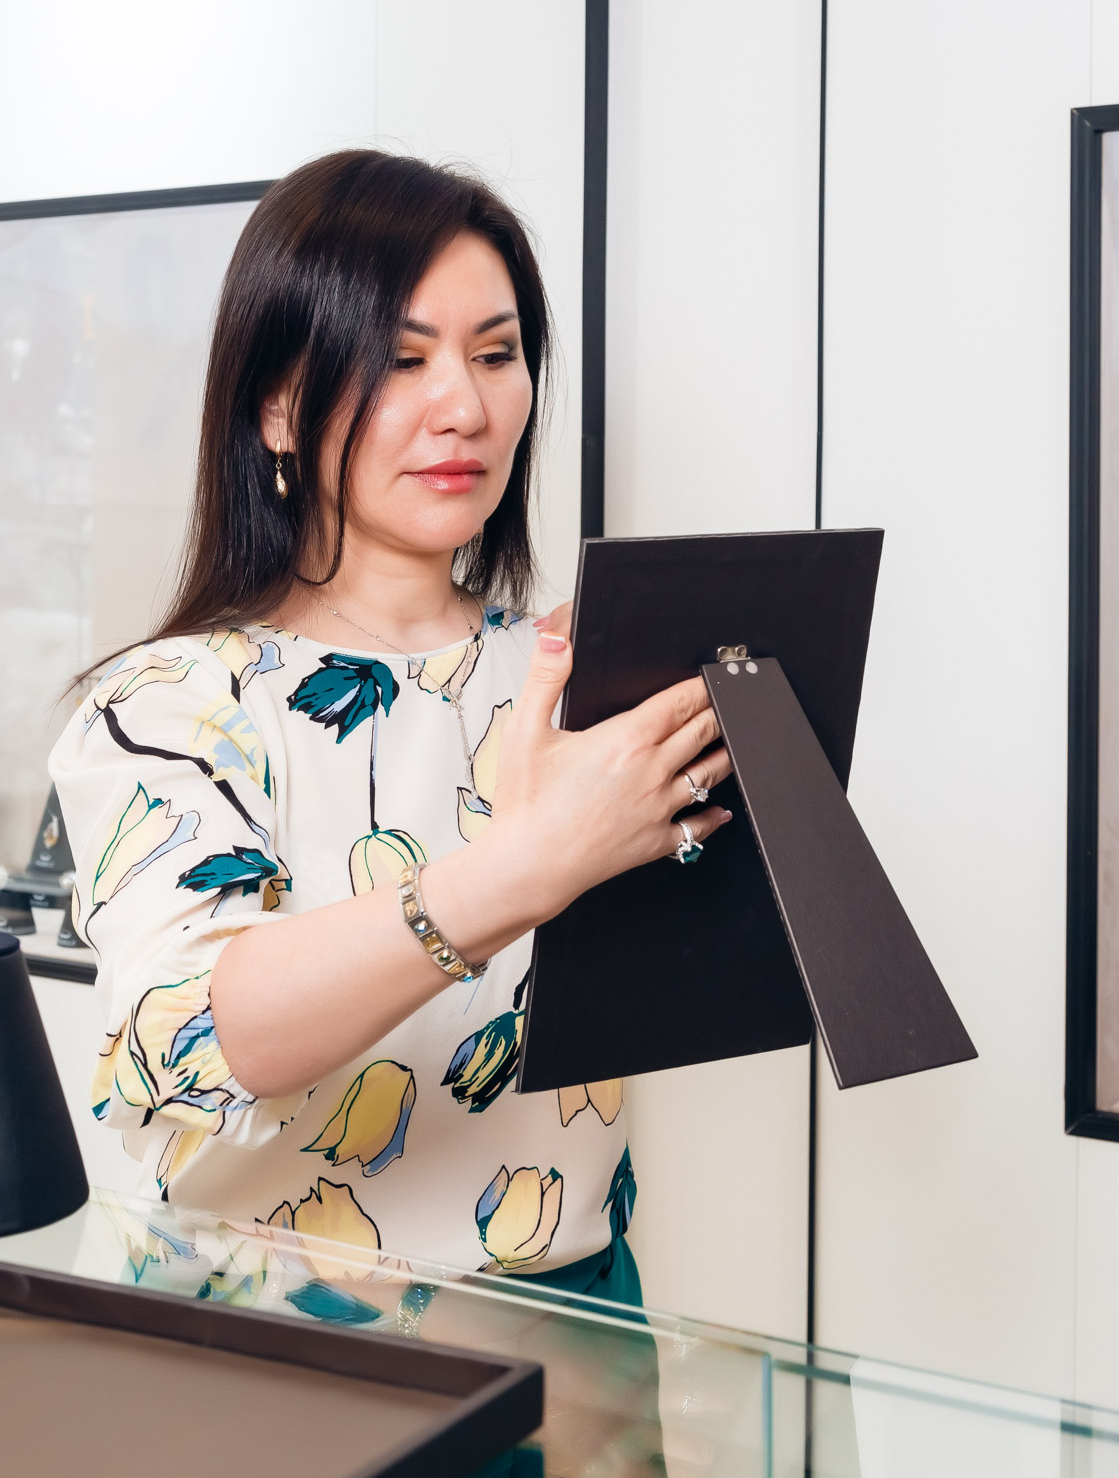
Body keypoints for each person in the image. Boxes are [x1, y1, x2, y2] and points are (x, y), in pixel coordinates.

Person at [50, 150, 730, 1309]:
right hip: (279, 1349)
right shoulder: (168, 706)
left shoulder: (576, 678)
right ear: (276, 405)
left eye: (495, 354)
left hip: (575, 1319)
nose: (463, 406)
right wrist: (525, 866)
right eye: (401, 358)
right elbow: (189, 1041)